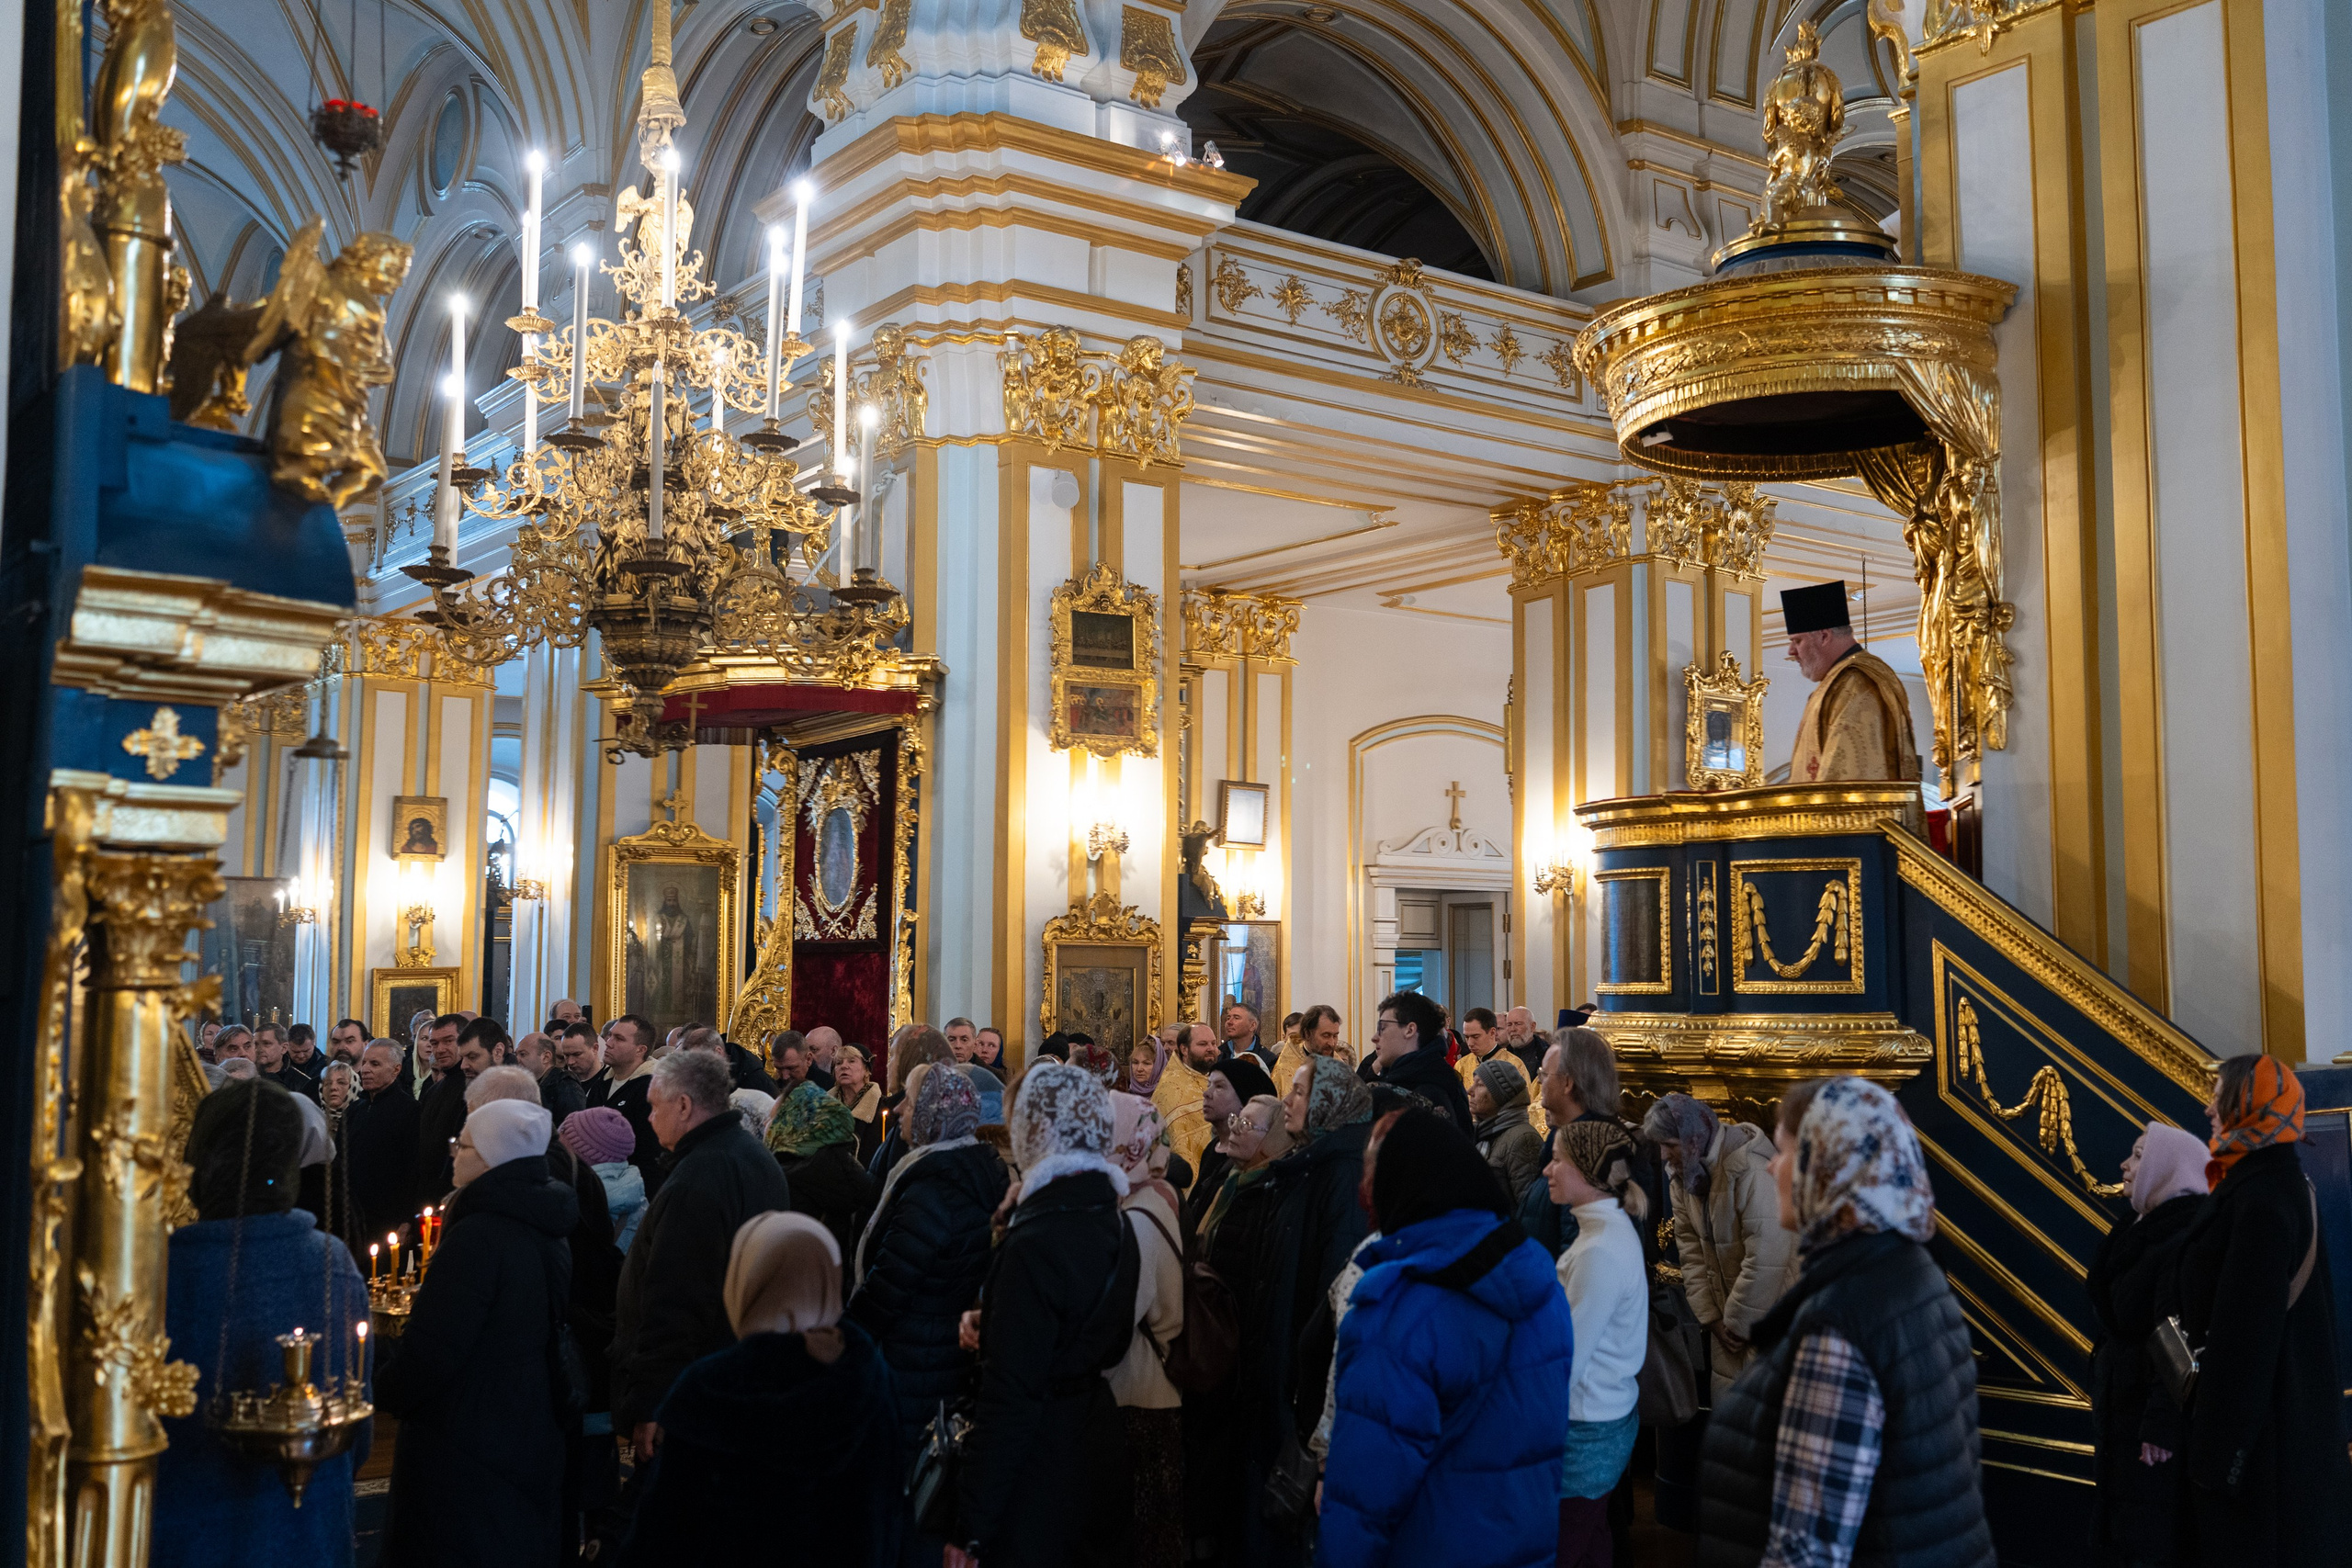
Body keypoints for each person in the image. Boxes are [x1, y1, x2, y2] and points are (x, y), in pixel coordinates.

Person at [1701, 1077, 1994, 1568]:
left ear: (1831, 1164)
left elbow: (1806, 1551)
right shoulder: (1910, 1267)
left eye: (1786, 1151)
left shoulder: (1839, 1323)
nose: (1772, 1166)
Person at [1320, 1110, 1574, 1568]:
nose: (1363, 1191)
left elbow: (1366, 1495)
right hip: (1522, 1543)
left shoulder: (1397, 1307)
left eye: (1373, 1172)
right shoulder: (1536, 1276)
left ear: (1404, 1180)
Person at [156, 1079, 371, 1568]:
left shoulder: (160, 1272)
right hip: (308, 1527)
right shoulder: (332, 1262)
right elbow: (357, 1426)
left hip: (187, 1528)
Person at [618, 1213, 903, 1567]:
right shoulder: (867, 1380)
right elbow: (886, 1519)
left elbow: (661, 1535)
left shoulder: (709, 1391)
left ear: (745, 1282)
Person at [952, 1062, 1140, 1568]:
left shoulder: (1036, 1239)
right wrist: (996, 1320)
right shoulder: (1114, 1217)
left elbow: (1009, 1397)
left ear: (1039, 1128)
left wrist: (970, 1524)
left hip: (1040, 1462)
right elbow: (1097, 1333)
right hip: (1097, 1445)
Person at [378, 1099, 578, 1567]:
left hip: (467, 1436)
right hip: (526, 1418)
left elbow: (434, 1349)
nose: (454, 1154)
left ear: (491, 1158)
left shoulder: (479, 1235)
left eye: (462, 1145)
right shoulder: (545, 1219)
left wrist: (378, 1387)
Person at [2173, 1055, 2351, 1564]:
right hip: (2272, 1432)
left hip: (2258, 1448)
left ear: (2248, 1106)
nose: (2209, 1107)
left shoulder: (2262, 1199)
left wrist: (2216, 1460)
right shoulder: (2268, 1183)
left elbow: (2245, 1342)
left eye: (2220, 1095)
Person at [846, 1064, 1007, 1568]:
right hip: (939, 1352)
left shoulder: (937, 1185)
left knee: (908, 1495)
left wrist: (848, 1338)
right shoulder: (974, 1170)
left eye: (911, 1103)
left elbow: (892, 1283)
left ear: (936, 1112)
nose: (900, 1114)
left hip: (914, 1359)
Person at [610, 1047, 792, 1466]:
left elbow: (677, 1299)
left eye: (655, 1107)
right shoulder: (753, 1155)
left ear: (685, 1105)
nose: (650, 1118)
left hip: (696, 1387)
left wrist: (651, 1402)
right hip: (739, 1374)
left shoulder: (700, 1177)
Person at [2086, 1121, 2209, 1568]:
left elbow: (2179, 1339)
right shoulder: (2141, 1226)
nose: (2126, 1164)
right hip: (2123, 1407)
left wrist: (2159, 1426)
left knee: (2149, 1539)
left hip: (2147, 1423)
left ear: (2166, 1168)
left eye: (2139, 1155)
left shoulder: (2179, 1237)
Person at [1645, 1091, 1796, 1395]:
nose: (1664, 1155)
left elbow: (1767, 1257)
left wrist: (1738, 1324)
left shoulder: (1749, 1170)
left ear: (1693, 1139)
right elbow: (1689, 1250)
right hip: (1727, 1324)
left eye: (1669, 1145)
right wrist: (1712, 1318)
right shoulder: (1684, 1175)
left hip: (1767, 1320)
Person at [1549, 1119, 1651, 1568]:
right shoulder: (1601, 1233)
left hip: (1587, 1425)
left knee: (1564, 1547)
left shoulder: (1599, 1250)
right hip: (1599, 1418)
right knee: (1590, 1544)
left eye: (1557, 1161)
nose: (1547, 1171)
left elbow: (1567, 1360)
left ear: (1588, 1173)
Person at [1106, 1092, 1185, 1568]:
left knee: (1144, 1533)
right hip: (1147, 1387)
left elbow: (1123, 1314)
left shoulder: (1140, 1214)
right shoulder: (1153, 1193)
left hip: (1141, 1392)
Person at [1780, 580, 1921, 785]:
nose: (1791, 652)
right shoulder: (1837, 682)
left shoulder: (1857, 684)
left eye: (1797, 641)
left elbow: (1846, 783)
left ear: (1824, 636)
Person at [768, 1079, 879, 1279]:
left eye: (775, 1118)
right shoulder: (845, 1168)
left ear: (794, 1123)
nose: (768, 1124)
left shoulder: (787, 1178)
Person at [1181, 1052, 1273, 1228]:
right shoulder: (1213, 1148)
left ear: (1245, 1099)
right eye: (1209, 1085)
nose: (1206, 1093)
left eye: (1220, 1087)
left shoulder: (1251, 1156)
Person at [1364, 988, 1471, 1131]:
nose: (1375, 1037)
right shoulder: (1415, 1077)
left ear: (1410, 1030)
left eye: (1382, 1027)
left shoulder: (1430, 1091)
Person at [347, 1037, 420, 1239]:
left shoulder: (410, 1111)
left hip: (389, 1220)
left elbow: (413, 1170)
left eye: (375, 1064)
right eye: (364, 1063)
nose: (365, 1069)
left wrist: (407, 1218)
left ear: (396, 1070)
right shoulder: (355, 1110)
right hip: (353, 1217)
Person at [560, 1106, 650, 1252]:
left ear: (579, 1151)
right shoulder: (640, 1205)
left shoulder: (573, 1201)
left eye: (563, 1131)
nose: (558, 1137)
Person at [1152, 1021, 1227, 1177]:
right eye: (1203, 1044)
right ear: (1184, 1049)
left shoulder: (1218, 1080)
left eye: (1213, 1043)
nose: (1211, 1049)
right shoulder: (1169, 1088)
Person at [599, 1014, 664, 1192]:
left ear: (640, 1050)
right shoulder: (602, 1081)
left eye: (619, 1039)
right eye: (610, 1035)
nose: (609, 1042)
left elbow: (649, 1154)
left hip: (633, 1190)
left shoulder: (651, 1089)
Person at [1469, 1054, 1544, 1205]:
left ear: (1500, 1095)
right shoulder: (1480, 1133)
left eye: (1480, 1085)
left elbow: (1529, 1207)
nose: (1470, 1090)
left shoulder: (1524, 1138)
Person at [413, 1012, 469, 1200]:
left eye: (448, 1041)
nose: (440, 1049)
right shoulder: (433, 1091)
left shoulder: (473, 1088)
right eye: (434, 1043)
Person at [514, 1029, 586, 1130]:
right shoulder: (526, 1085)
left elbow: (572, 1129)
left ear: (546, 1057)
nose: (517, 1060)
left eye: (523, 1054)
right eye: (516, 1054)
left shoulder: (566, 1085)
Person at [831, 1044, 885, 1164]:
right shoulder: (821, 1108)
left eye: (851, 1061)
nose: (844, 1066)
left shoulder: (882, 1108)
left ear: (867, 1070)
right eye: (839, 1063)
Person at [1222, 1001, 1272, 1070]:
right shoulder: (1219, 1054)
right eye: (1228, 1018)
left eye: (1236, 1018)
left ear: (1252, 1026)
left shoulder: (1268, 1059)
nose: (1229, 1022)